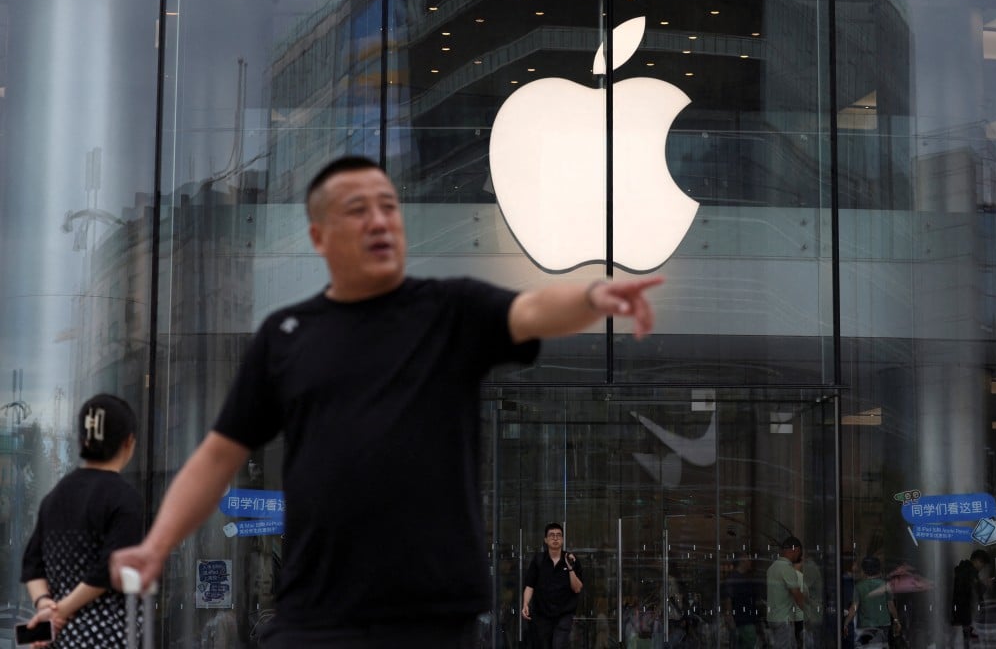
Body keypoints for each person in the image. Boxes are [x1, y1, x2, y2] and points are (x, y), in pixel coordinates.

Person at [109, 155, 662, 648]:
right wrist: (157, 544)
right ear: (319, 235)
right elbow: (217, 456)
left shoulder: (450, 311)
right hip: (316, 613)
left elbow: (532, 310)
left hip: (431, 613)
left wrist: (593, 296)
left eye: (388, 206)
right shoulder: (286, 336)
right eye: (357, 209)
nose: (379, 220)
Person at [21, 394, 144, 648]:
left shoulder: (54, 497)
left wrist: (46, 606)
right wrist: (61, 610)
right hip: (109, 637)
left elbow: (32, 564)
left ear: (80, 441)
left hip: (59, 638)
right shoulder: (126, 499)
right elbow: (110, 569)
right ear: (128, 443)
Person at [522, 523, 584, 649]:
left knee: (558, 645)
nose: (555, 538)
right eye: (551, 535)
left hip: (564, 614)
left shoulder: (571, 559)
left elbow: (577, 588)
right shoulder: (538, 560)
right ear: (545, 539)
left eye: (558, 535)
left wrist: (570, 568)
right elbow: (530, 585)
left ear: (562, 539)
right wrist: (525, 604)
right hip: (542, 614)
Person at [843, 556, 901, 647]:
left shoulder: (859, 586)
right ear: (878, 569)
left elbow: (854, 608)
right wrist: (896, 620)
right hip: (883, 624)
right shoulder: (885, 585)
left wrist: (846, 624)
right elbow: (891, 606)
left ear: (864, 570)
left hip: (865, 625)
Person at [766, 536, 806, 649]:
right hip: (784, 619)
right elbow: (797, 596)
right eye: (800, 553)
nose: (800, 557)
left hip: (773, 618)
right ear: (796, 550)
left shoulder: (772, 567)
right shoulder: (787, 569)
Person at [950, 549, 991, 649]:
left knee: (963, 640)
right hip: (966, 615)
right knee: (966, 640)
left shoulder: (964, 570)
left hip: (962, 615)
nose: (982, 567)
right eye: (982, 563)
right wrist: (985, 585)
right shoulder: (969, 571)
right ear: (977, 560)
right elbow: (974, 591)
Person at [722, 555, 762, 649]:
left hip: (744, 620)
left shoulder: (742, 579)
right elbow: (728, 599)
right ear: (742, 562)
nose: (750, 562)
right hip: (743, 621)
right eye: (748, 560)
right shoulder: (734, 579)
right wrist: (730, 618)